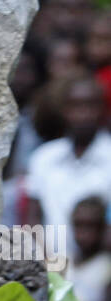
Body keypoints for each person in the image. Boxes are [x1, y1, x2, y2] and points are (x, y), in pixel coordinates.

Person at [25, 73, 111, 260]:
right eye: (76, 106)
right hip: (51, 269)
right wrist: (44, 259)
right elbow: (33, 217)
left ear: (102, 109)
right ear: (64, 110)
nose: (84, 113)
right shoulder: (44, 158)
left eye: (91, 105)